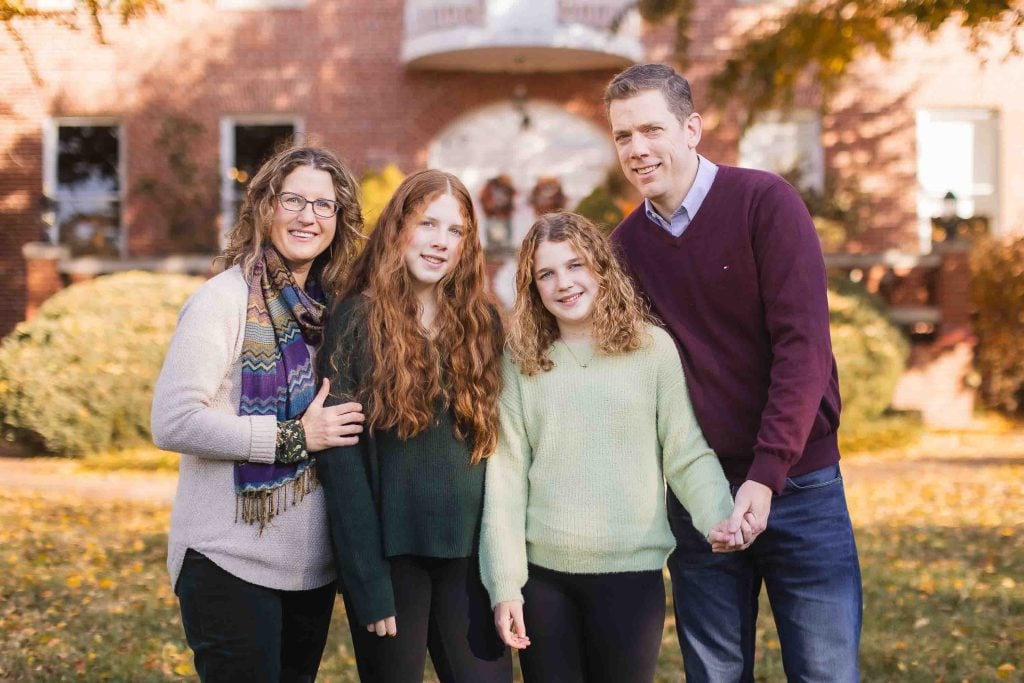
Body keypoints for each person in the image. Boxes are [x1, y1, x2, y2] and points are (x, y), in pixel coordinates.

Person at [604, 63, 863, 682]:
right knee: (715, 675)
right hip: (702, 496)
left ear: (691, 128)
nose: (637, 149)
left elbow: (803, 349)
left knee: (825, 673)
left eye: (651, 129)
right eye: (621, 136)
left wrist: (768, 475)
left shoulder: (764, 203)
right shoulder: (624, 249)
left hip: (801, 486)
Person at [479, 212, 742, 683]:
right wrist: (505, 588)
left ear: (601, 268)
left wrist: (718, 516)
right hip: (543, 583)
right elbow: (505, 479)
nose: (564, 283)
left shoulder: (652, 350)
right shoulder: (521, 362)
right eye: (547, 273)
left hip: (631, 578)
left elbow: (685, 452)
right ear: (533, 285)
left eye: (576, 265)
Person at [151, 145, 367, 681]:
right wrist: (293, 437)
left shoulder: (332, 313)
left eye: (324, 206)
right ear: (266, 206)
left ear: (339, 222)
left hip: (310, 570)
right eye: (293, 199)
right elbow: (173, 419)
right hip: (228, 562)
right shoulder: (222, 300)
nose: (307, 217)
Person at [315, 169, 512, 682]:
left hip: (471, 559)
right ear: (399, 227)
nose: (441, 242)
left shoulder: (482, 324)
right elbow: (341, 462)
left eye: (456, 231)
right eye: (429, 224)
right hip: (389, 560)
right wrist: (367, 582)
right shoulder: (358, 319)